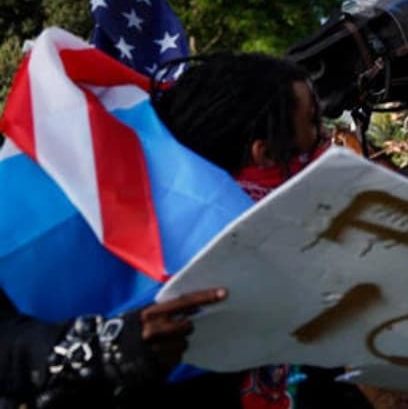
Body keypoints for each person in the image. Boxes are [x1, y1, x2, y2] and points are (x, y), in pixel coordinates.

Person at [1, 53, 362, 409]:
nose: (326, 137)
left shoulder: (270, 244)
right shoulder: (52, 207)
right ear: (263, 154)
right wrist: (108, 348)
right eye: (313, 124)